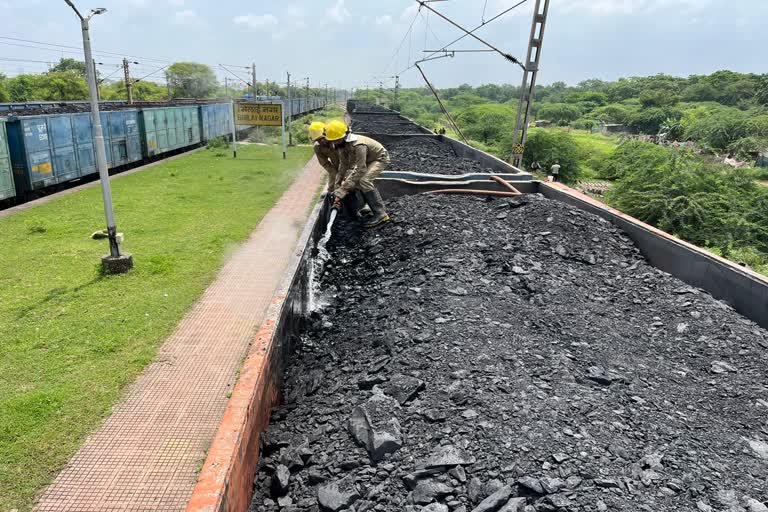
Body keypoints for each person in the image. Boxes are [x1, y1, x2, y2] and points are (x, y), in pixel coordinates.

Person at [325, 119, 390, 229]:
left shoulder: (358, 144)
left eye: (336, 140)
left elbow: (361, 168)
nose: (334, 142)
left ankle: (381, 214)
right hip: (369, 160)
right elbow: (343, 166)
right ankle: (363, 208)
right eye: (333, 141)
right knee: (354, 180)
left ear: (344, 135)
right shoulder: (342, 145)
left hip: (380, 158)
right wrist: (338, 184)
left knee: (364, 180)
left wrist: (344, 189)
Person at [309, 121, 340, 193]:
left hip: (349, 165)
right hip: (336, 166)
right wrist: (333, 172)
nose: (321, 141)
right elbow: (324, 163)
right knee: (332, 186)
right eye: (318, 140)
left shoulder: (338, 140)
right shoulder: (318, 147)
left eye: (322, 138)